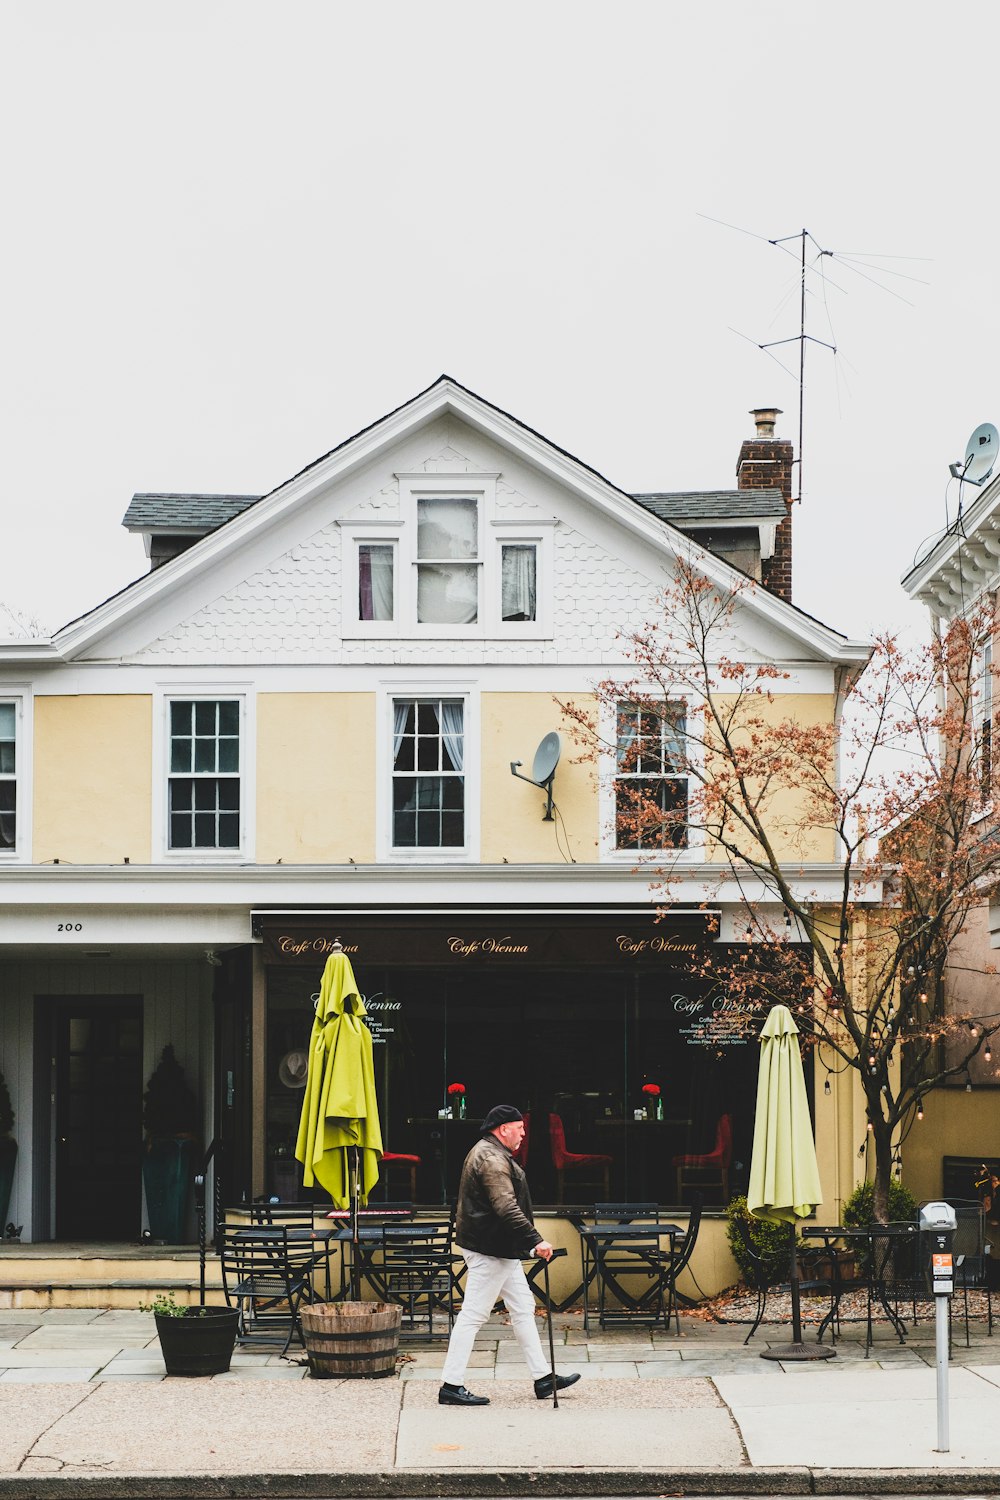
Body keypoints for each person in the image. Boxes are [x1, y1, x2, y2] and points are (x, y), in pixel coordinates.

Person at [439, 1103, 582, 1406]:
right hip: (490, 1249)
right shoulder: (491, 1158)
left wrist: (526, 1245)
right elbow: (505, 1207)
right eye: (520, 1129)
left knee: (522, 1306)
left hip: (497, 1247)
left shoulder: (489, 1152)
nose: (523, 1134)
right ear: (504, 1129)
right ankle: (451, 1385)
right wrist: (536, 1241)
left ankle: (543, 1378)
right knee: (474, 1315)